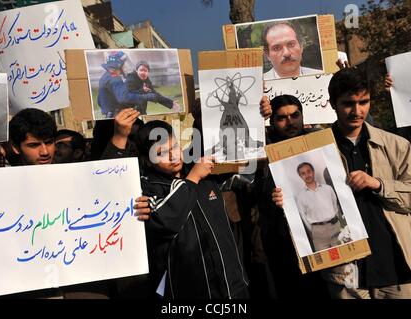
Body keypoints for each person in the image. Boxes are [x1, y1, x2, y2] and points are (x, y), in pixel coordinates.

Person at [273, 67, 411, 299]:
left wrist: (378, 184)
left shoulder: (395, 145)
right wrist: (285, 200)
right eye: (348, 103)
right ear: (332, 103)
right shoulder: (314, 150)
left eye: (363, 102)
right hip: (346, 274)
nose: (357, 111)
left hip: (397, 267)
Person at [135, 120, 249, 299]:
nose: (173, 156)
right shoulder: (147, 190)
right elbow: (166, 221)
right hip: (190, 291)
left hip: (233, 285)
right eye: (162, 153)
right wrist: (193, 178)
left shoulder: (207, 175)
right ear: (148, 161)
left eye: (175, 147)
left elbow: (248, 169)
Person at [257, 94, 330, 299]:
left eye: (295, 115)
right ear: (272, 122)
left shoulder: (319, 140)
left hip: (321, 234)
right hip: (282, 241)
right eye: (282, 118)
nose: (290, 122)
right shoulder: (261, 148)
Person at [295, 162, 345, 252]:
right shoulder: (300, 197)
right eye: (303, 173)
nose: (307, 175)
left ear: (313, 172)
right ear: (300, 176)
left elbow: (335, 205)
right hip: (318, 233)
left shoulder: (328, 188)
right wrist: (314, 230)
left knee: (343, 253)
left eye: (308, 171)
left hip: (335, 226)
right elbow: (304, 217)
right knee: (327, 260)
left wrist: (335, 220)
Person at [97, 52, 158, 119]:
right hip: (118, 118)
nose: (127, 66)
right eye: (125, 64)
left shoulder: (105, 77)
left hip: (111, 117)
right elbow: (124, 99)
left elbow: (99, 101)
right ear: (119, 65)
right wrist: (146, 97)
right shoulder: (115, 79)